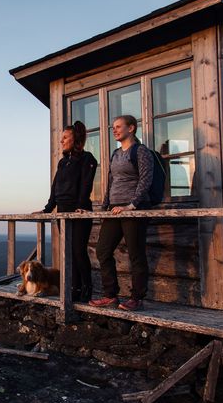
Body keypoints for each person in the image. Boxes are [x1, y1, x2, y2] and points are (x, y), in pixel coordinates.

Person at [89, 115, 153, 311]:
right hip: (114, 209)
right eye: (113, 127)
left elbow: (146, 180)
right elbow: (112, 182)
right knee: (103, 250)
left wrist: (131, 206)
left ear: (131, 128)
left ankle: (137, 298)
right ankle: (110, 295)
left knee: (136, 254)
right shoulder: (116, 154)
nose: (114, 130)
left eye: (118, 127)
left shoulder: (140, 151)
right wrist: (104, 208)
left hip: (133, 209)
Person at [36, 121, 98, 302]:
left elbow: (86, 185)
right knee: (69, 252)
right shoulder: (63, 162)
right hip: (62, 212)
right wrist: (47, 209)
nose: (61, 141)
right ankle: (73, 289)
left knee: (79, 251)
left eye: (65, 137)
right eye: (61, 138)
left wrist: (80, 206)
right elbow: (56, 188)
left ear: (75, 138)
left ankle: (86, 290)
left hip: (79, 211)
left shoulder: (88, 159)